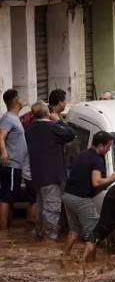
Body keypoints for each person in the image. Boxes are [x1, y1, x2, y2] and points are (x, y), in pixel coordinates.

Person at [62, 131, 115, 255]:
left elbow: (87, 182)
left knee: (74, 230)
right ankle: (88, 263)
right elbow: (96, 182)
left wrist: (108, 182)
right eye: (108, 146)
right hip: (81, 199)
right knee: (94, 233)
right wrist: (112, 178)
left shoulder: (82, 154)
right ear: (100, 145)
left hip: (68, 196)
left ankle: (64, 256)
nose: (108, 150)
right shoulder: (97, 160)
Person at [26, 102, 75, 241]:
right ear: (47, 113)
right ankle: (49, 240)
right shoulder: (52, 128)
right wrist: (58, 120)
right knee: (52, 209)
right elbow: (71, 134)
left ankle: (40, 235)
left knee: (42, 207)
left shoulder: (31, 128)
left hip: (38, 175)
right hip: (52, 176)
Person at [0, 89, 28, 231]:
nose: (22, 100)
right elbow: (1, 136)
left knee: (10, 199)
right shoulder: (8, 118)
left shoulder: (14, 117)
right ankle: (4, 233)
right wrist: (4, 152)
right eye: (21, 98)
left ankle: (8, 230)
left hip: (16, 165)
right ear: (17, 101)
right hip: (10, 164)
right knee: (6, 198)